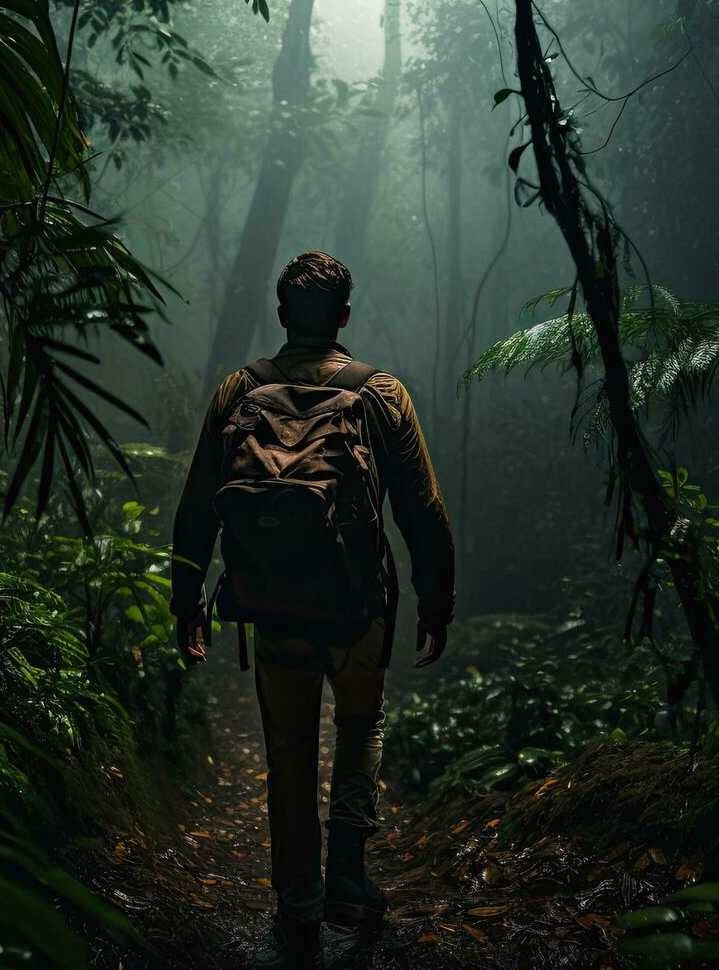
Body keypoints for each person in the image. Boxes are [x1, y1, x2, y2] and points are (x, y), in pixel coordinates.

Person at [172, 251, 455, 966]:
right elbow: (423, 509)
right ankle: (350, 878)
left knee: (290, 752)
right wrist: (436, 599)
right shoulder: (380, 392)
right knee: (360, 727)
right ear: (344, 317)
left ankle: (297, 906)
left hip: (274, 603)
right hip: (360, 606)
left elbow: (199, 502)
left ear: (279, 313)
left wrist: (188, 600)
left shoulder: (240, 389)